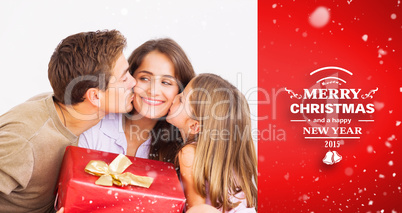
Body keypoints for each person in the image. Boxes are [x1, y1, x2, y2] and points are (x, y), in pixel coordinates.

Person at [0, 30, 136, 213]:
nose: (134, 82)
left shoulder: (71, 110)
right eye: (124, 78)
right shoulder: (24, 141)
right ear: (95, 96)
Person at [79, 38, 196, 163]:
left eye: (166, 82)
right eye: (145, 78)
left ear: (180, 92)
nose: (153, 91)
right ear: (129, 79)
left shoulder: (183, 150)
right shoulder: (95, 125)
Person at [167, 73, 258, 212]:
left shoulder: (189, 153)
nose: (174, 98)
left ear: (194, 126)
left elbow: (196, 209)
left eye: (181, 100)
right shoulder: (228, 156)